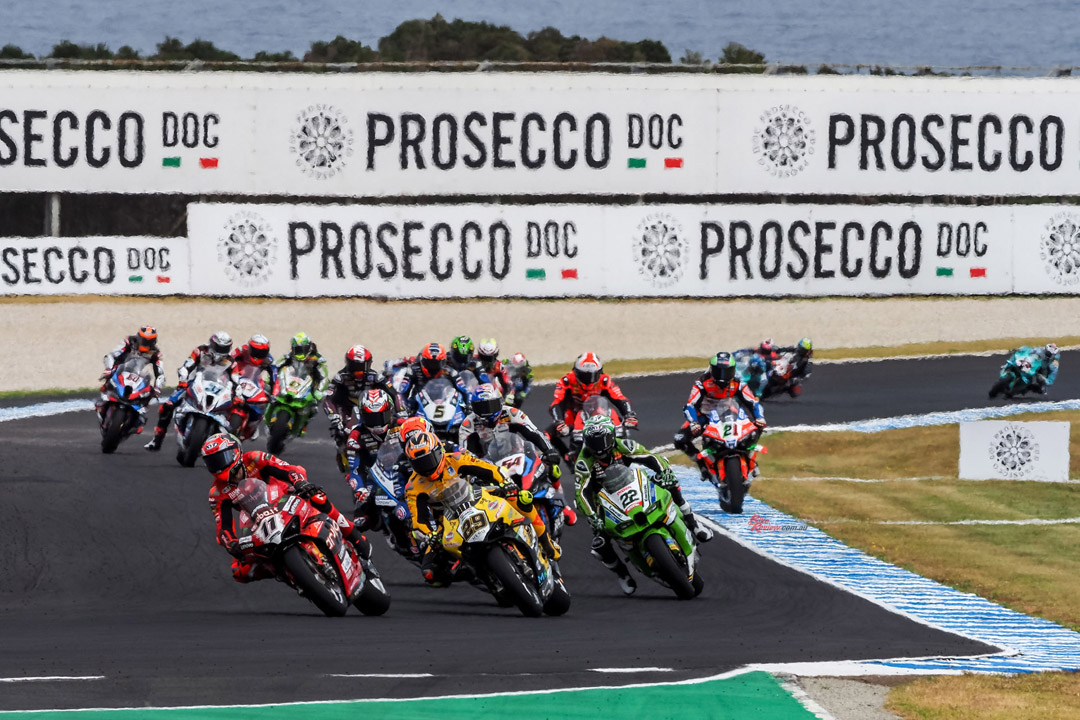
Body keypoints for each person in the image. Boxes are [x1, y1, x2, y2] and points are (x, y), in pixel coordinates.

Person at [201, 433, 371, 583]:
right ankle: (285, 572)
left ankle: (354, 536)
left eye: (221, 458)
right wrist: (231, 543)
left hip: (285, 496)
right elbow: (223, 527)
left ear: (235, 452)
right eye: (212, 462)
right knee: (240, 571)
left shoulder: (255, 458)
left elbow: (287, 469)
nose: (218, 465)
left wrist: (300, 482)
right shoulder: (217, 492)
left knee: (317, 497)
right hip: (257, 519)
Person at [575, 416, 712, 595]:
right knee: (600, 544)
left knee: (670, 485)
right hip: (603, 499)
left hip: (631, 484)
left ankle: (693, 523)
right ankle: (623, 574)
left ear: (612, 437)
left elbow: (650, 457)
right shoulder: (584, 461)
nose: (599, 447)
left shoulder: (622, 445)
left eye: (602, 440)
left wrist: (665, 472)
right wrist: (592, 515)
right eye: (594, 442)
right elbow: (581, 493)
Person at [402, 429, 559, 587]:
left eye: (429, 460)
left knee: (520, 498)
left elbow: (488, 469)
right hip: (446, 521)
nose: (426, 467)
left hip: (477, 496)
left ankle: (547, 541)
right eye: (419, 463)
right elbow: (419, 521)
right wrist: (430, 535)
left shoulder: (456, 459)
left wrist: (505, 483)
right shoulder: (413, 487)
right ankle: (477, 575)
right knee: (430, 573)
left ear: (439, 452)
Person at [459, 383, 576, 525]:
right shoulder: (468, 424)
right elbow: (466, 454)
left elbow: (534, 433)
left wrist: (549, 450)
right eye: (481, 408)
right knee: (472, 489)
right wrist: (473, 474)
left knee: (552, 466)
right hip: (490, 464)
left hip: (518, 454)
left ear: (500, 402)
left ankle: (563, 505)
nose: (487, 412)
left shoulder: (512, 413)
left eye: (491, 406)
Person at [673, 352, 766, 483]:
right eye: (719, 371)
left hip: (729, 413)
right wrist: (694, 422)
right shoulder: (702, 383)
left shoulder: (737, 383)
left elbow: (753, 402)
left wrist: (759, 417)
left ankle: (750, 459)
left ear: (733, 371)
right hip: (705, 416)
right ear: (712, 370)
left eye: (726, 372)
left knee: (756, 427)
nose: (722, 376)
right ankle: (702, 465)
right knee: (680, 439)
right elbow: (690, 405)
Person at [145, 331, 235, 451]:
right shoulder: (200, 351)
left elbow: (235, 378)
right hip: (193, 383)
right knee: (167, 406)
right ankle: (157, 439)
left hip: (217, 389)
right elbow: (186, 366)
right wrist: (183, 379)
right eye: (218, 347)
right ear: (212, 344)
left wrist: (237, 391)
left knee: (234, 410)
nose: (221, 351)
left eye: (224, 348)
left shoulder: (231, 362)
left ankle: (224, 446)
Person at [548, 352, 637, 461]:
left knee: (620, 425)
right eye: (584, 376)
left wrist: (629, 414)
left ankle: (624, 455)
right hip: (573, 415)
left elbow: (620, 399)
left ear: (599, 372)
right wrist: (559, 421)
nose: (588, 380)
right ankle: (568, 457)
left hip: (598, 413)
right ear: (576, 372)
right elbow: (557, 403)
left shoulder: (604, 380)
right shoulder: (567, 380)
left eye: (593, 375)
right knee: (548, 434)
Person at [323, 345, 403, 456]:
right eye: (355, 366)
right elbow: (328, 399)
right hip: (348, 409)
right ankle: (344, 451)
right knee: (341, 430)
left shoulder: (375, 376)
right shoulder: (340, 377)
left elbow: (394, 393)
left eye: (362, 366)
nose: (358, 371)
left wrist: (401, 410)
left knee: (388, 423)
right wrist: (334, 415)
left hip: (370, 409)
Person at [344, 388, 401, 528]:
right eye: (371, 418)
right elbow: (354, 469)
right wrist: (360, 489)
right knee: (360, 521)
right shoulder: (356, 436)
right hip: (374, 479)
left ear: (390, 411)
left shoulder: (402, 425)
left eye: (381, 416)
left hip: (402, 472)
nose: (377, 423)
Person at [98, 326, 166, 421]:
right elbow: (111, 355)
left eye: (149, 341)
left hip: (136, 374)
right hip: (120, 369)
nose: (145, 343)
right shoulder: (129, 342)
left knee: (149, 392)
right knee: (110, 375)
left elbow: (160, 374)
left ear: (154, 341)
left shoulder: (155, 353)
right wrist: (109, 369)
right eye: (143, 340)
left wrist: (157, 388)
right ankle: (104, 400)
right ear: (138, 337)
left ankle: (141, 413)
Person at [397, 342, 473, 415]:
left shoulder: (451, 372)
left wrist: (469, 404)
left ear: (443, 362)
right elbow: (402, 390)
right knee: (402, 412)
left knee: (464, 410)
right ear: (422, 360)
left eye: (436, 363)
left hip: (445, 404)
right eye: (429, 363)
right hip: (418, 404)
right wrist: (402, 407)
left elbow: (465, 389)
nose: (432, 367)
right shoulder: (413, 370)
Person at [228, 334, 278, 437]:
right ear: (250, 348)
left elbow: (274, 376)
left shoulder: (268, 360)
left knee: (262, 404)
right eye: (256, 350)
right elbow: (228, 362)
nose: (258, 354)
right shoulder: (241, 351)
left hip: (254, 384)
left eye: (262, 352)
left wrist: (274, 393)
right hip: (236, 378)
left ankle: (253, 425)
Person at [275, 332, 330, 401]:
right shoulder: (290, 357)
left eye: (303, 349)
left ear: (309, 348)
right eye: (297, 349)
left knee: (319, 399)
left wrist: (319, 390)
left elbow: (324, 377)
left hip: (310, 388)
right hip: (293, 384)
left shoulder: (316, 359)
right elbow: (276, 367)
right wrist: (272, 379)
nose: (300, 352)